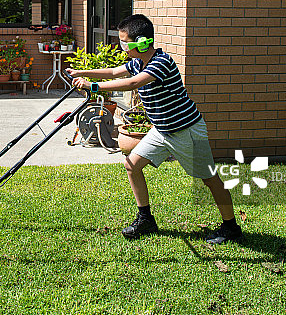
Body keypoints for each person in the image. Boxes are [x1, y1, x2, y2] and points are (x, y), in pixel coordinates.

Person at [67, 14, 242, 244]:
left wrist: (93, 87)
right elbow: (114, 72)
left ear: (142, 42)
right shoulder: (137, 61)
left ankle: (231, 227)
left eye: (124, 43)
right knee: (131, 166)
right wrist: (82, 73)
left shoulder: (161, 62)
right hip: (162, 130)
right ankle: (146, 218)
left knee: (209, 179)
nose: (122, 49)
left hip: (187, 130)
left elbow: (133, 83)